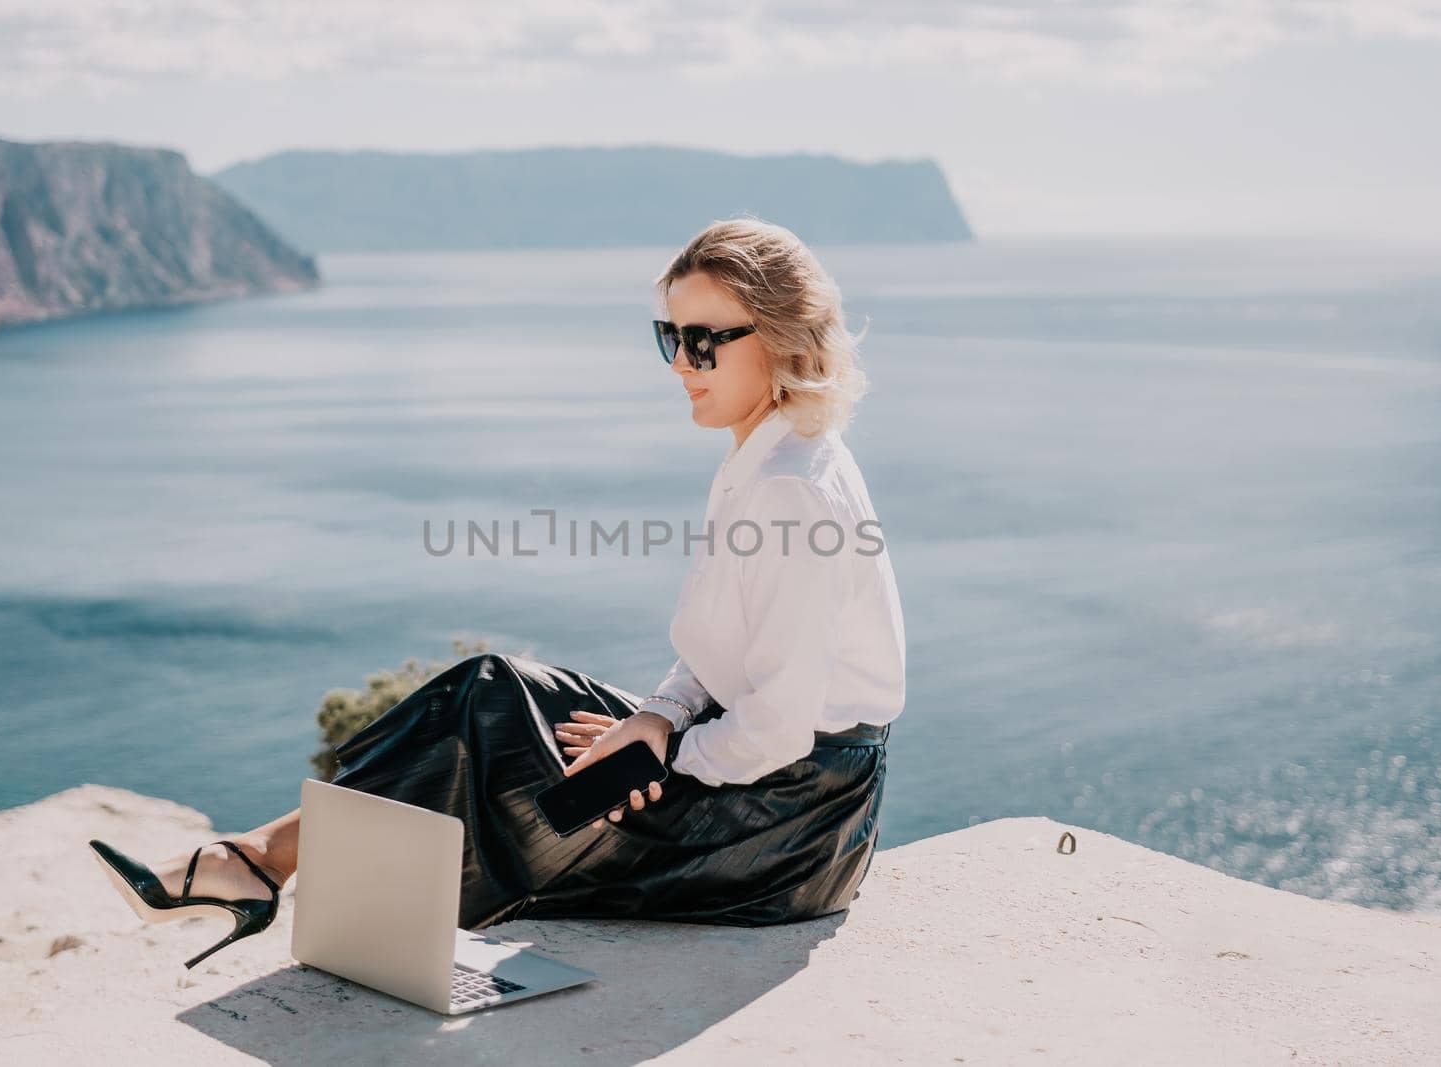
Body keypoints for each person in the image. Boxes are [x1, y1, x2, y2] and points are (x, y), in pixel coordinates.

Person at [89, 217, 907, 969]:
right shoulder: (767, 454)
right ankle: (267, 863)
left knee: (499, 732)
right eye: (671, 337)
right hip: (767, 783)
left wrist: (669, 754)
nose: (681, 365)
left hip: (788, 829)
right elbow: (727, 658)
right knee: (501, 691)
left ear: (781, 339)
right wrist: (654, 719)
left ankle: (263, 866)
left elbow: (777, 727)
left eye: (704, 342)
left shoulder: (791, 487)